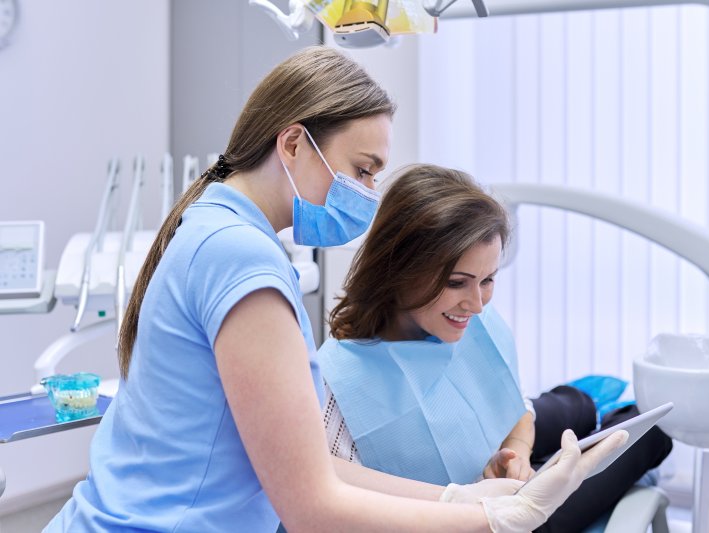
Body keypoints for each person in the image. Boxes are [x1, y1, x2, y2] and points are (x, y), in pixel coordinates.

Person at [45, 47, 628, 533]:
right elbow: (311, 505)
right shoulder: (239, 259)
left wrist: (469, 500)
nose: (372, 193)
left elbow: (313, 469)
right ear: (294, 144)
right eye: (364, 169)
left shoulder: (219, 231)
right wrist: (498, 518)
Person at [319, 164, 673, 533]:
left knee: (581, 407)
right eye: (457, 282)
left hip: (493, 452)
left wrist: (518, 452)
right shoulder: (337, 387)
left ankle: (584, 409)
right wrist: (485, 504)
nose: (476, 304)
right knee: (651, 431)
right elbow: (335, 504)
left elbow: (516, 408)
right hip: (482, 521)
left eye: (487, 280)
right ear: (398, 268)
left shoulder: (463, 317)